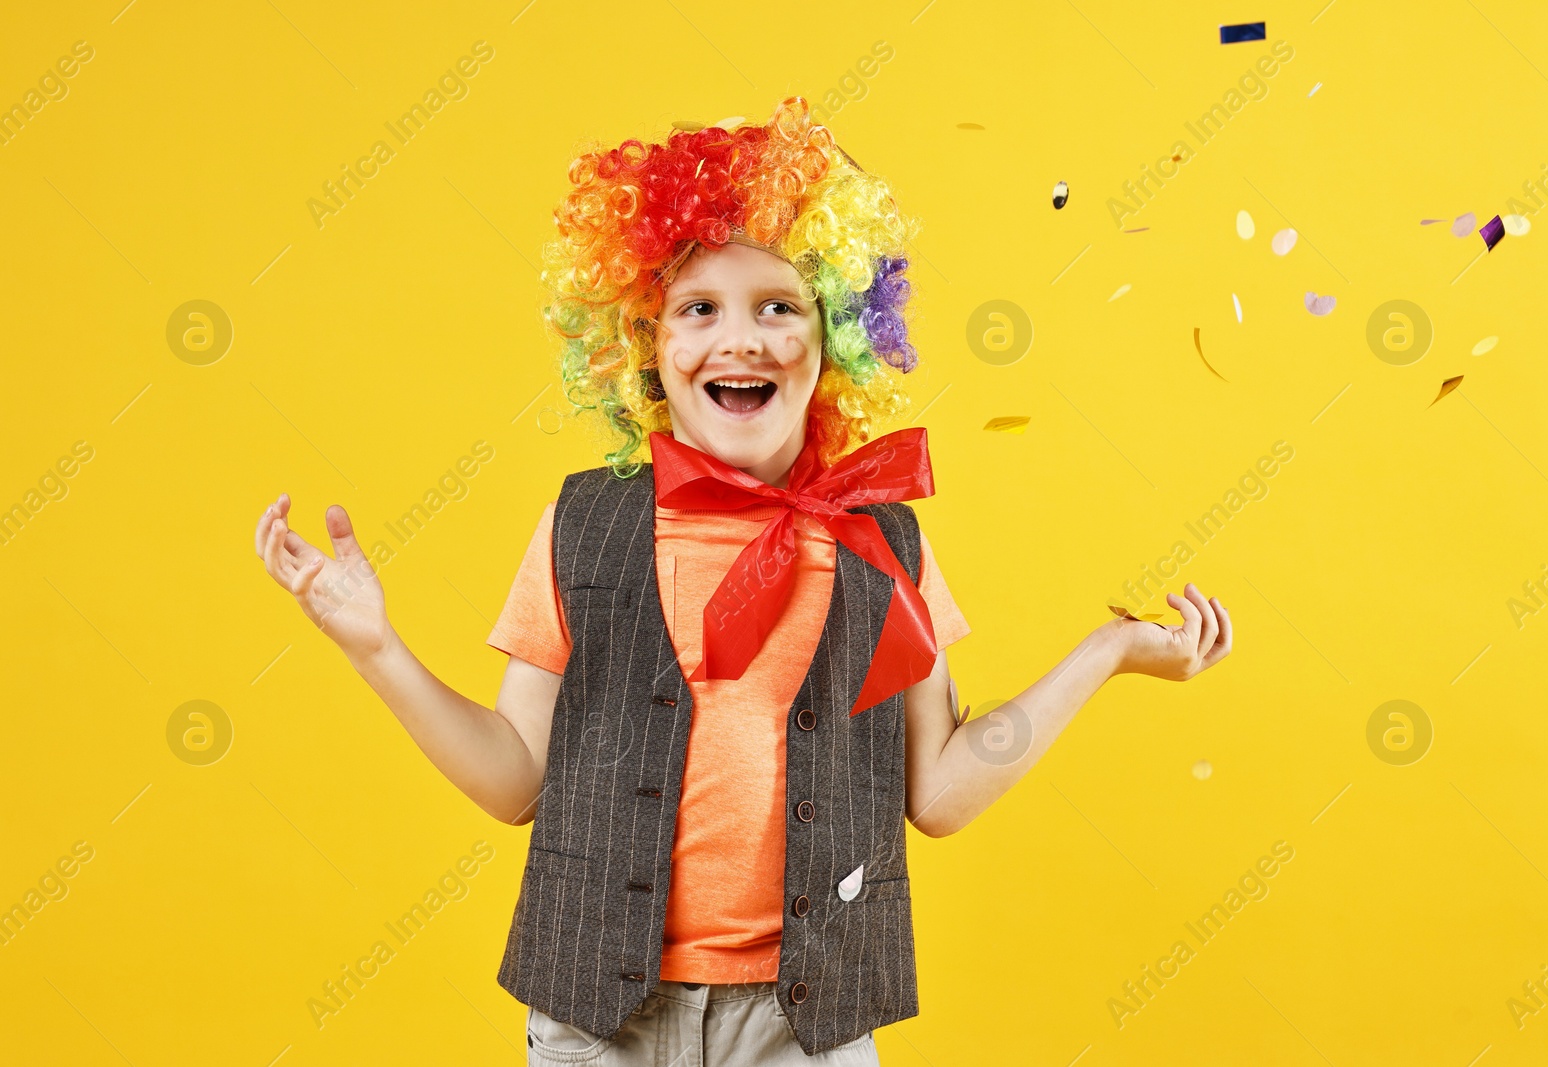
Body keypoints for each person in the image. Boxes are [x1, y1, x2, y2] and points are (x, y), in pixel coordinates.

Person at [253, 96, 1233, 1065]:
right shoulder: (585, 523)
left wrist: (1108, 652)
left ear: (838, 336)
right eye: (698, 308)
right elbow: (515, 781)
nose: (741, 339)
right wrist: (376, 648)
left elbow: (938, 789)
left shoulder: (882, 539)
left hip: (804, 1023)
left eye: (780, 306)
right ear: (647, 345)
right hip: (598, 1015)